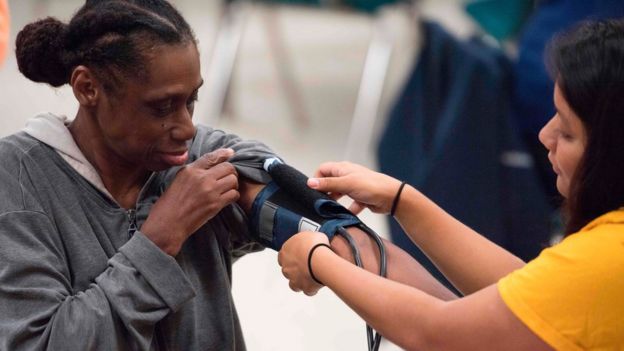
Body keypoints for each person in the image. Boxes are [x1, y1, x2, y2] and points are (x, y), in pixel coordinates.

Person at [0, 1, 450, 349]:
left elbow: (335, 232)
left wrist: (471, 321)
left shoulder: (204, 158)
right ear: (87, 88)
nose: (187, 127)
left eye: (191, 100)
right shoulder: (17, 181)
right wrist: (159, 241)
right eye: (161, 107)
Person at [278, 19, 624, 350]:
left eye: (567, 131)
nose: (544, 135)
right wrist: (403, 200)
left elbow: (439, 335)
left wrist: (317, 260)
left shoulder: (610, 258)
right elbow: (532, 292)